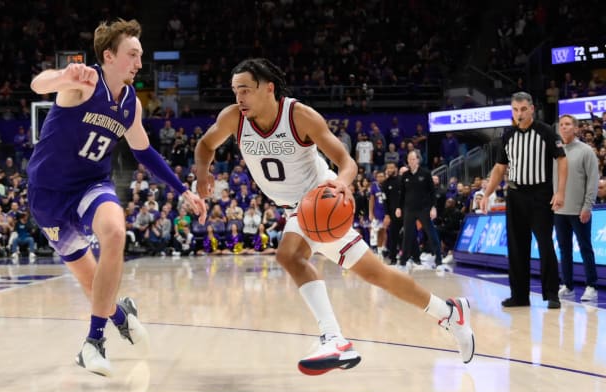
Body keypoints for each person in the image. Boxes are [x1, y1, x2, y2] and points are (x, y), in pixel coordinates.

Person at [194, 58, 475, 375]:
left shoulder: (298, 116)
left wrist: (341, 183)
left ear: (268, 88)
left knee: (289, 256)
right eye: (235, 91)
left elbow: (346, 161)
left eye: (245, 90)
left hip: (320, 200)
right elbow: (206, 145)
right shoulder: (234, 118)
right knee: (376, 274)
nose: (239, 97)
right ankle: (449, 312)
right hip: (298, 209)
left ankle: (334, 338)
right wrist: (202, 173)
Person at [27, 18, 206, 377]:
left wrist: (183, 189)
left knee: (114, 231)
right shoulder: (82, 85)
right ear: (109, 56)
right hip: (47, 194)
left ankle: (93, 343)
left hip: (92, 184)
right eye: (133, 55)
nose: (139, 63)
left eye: (141, 55)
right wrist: (64, 76)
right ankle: (120, 316)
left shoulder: (130, 105)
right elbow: (38, 84)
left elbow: (144, 152)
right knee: (92, 282)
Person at [480, 91, 567, 309]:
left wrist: (560, 192)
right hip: (516, 195)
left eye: (523, 109)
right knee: (517, 247)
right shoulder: (507, 135)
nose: (519, 114)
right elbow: (500, 168)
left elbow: (562, 160)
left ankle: (552, 294)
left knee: (545, 244)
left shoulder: (546, 131)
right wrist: (487, 193)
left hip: (541, 194)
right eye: (515, 110)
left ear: (531, 109)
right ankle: (519, 296)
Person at [553, 115, 599, 302]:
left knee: (585, 248)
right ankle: (568, 286)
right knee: (564, 250)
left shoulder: (586, 151)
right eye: (562, 124)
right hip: (559, 211)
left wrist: (587, 206)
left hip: (580, 209)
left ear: (576, 128)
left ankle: (591, 286)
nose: (564, 127)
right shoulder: (556, 151)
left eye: (568, 124)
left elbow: (593, 181)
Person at [395, 151, 448, 271]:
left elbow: (432, 192)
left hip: (423, 209)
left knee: (431, 233)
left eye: (413, 159)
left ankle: (439, 260)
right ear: (407, 161)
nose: (411, 161)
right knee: (407, 235)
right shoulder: (405, 176)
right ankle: (403, 262)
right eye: (409, 159)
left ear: (418, 160)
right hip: (409, 209)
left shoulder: (425, 173)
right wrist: (399, 207)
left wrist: (433, 207)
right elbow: (402, 194)